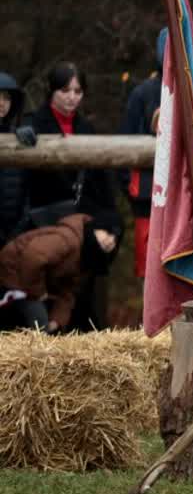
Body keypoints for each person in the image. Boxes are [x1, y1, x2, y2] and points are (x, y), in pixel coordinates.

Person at [17, 63, 120, 330]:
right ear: (52, 91)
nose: (72, 97)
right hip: (42, 223)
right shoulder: (32, 124)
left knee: (90, 272)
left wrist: (110, 228)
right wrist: (20, 134)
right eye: (65, 90)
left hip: (83, 221)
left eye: (78, 91)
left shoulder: (87, 128)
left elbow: (102, 189)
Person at [0, 213, 117, 331]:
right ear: (96, 228)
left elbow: (68, 293)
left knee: (44, 328)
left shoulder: (87, 260)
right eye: (108, 232)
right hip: (12, 274)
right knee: (37, 325)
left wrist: (57, 321)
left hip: (31, 287)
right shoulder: (68, 239)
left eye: (115, 239)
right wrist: (39, 293)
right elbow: (33, 257)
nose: (111, 240)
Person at [119, 28, 168, 276]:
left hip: (189, 201)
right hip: (147, 199)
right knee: (151, 272)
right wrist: (132, 188)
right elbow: (124, 148)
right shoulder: (143, 94)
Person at [0, 71, 25, 239]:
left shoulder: (18, 137)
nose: (1, 103)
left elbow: (27, 191)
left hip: (12, 233)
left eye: (7, 98)